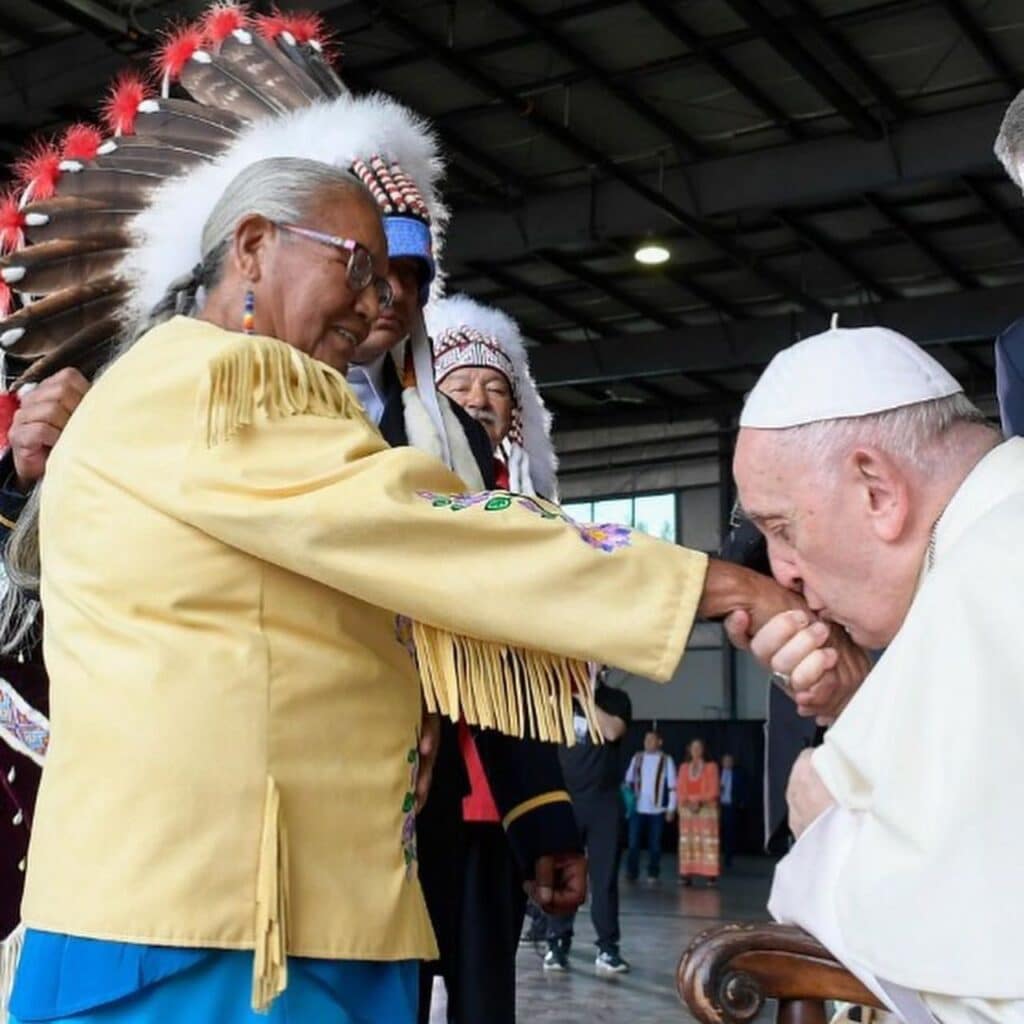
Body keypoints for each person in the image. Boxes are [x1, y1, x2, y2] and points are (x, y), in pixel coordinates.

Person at [729, 323, 1024, 1024]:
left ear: (877, 489)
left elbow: (977, 969)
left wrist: (831, 827)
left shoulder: (984, 576)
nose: (784, 573)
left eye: (783, 529)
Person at [543, 669, 633, 975]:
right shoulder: (558, 701)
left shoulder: (616, 700)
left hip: (604, 803)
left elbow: (611, 732)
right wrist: (566, 695)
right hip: (566, 800)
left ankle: (607, 949)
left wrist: (584, 694)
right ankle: (557, 943)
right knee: (563, 876)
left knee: (604, 879)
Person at [428, 294, 556, 498]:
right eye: (461, 388)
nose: (479, 400)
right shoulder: (407, 487)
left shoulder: (531, 504)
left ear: (513, 410)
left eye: (495, 390)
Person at [624, 731, 677, 883]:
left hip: (658, 810)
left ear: (660, 742)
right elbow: (628, 780)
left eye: (651, 739)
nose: (647, 742)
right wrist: (628, 799)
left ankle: (653, 872)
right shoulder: (637, 757)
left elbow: (672, 786)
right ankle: (631, 872)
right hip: (637, 809)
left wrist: (671, 808)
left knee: (655, 844)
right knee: (633, 843)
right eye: (646, 739)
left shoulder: (666, 760)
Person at [677, 738, 720, 886]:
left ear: (703, 750)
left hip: (706, 811)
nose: (695, 750)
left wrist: (699, 801)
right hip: (688, 812)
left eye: (698, 747)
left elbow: (714, 789)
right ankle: (686, 874)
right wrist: (689, 803)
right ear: (689, 750)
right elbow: (680, 789)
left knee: (706, 843)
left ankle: (710, 875)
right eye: (693, 747)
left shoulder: (711, 767)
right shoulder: (683, 767)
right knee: (688, 844)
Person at [718, 753, 745, 869]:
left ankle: (728, 859)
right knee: (717, 833)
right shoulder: (717, 773)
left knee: (729, 833)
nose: (728, 763)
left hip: (730, 806)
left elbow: (742, 789)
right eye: (726, 761)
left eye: (730, 761)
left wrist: (741, 802)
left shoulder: (737, 774)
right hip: (717, 807)